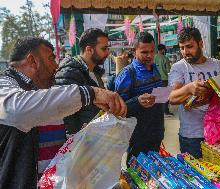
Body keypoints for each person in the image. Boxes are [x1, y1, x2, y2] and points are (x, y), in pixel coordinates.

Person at [0, 37, 127, 188]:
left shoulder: (43, 93)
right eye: (51, 58)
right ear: (32, 61)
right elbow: (17, 110)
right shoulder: (5, 85)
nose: (56, 66)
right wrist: (90, 93)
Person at [168, 28, 220, 158]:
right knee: (193, 176)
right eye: (181, 48)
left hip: (216, 131)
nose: (185, 52)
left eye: (189, 47)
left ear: (200, 44)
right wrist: (189, 88)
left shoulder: (217, 65)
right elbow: (172, 97)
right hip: (191, 136)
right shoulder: (179, 67)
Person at [115, 32, 164, 163]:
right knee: (136, 177)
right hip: (137, 138)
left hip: (156, 133)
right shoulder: (127, 74)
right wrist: (137, 101)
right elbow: (118, 109)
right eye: (144, 52)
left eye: (152, 51)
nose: (149, 55)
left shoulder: (155, 69)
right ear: (134, 51)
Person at [55, 28, 109, 136]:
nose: (107, 53)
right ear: (89, 49)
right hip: (81, 142)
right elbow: (66, 115)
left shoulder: (96, 72)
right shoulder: (69, 72)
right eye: (104, 49)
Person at [154, 44, 174, 116]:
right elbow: (168, 70)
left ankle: (158, 111)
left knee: (157, 96)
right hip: (164, 79)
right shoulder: (165, 58)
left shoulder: (154, 58)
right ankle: (166, 111)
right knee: (165, 96)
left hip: (155, 80)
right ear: (163, 50)